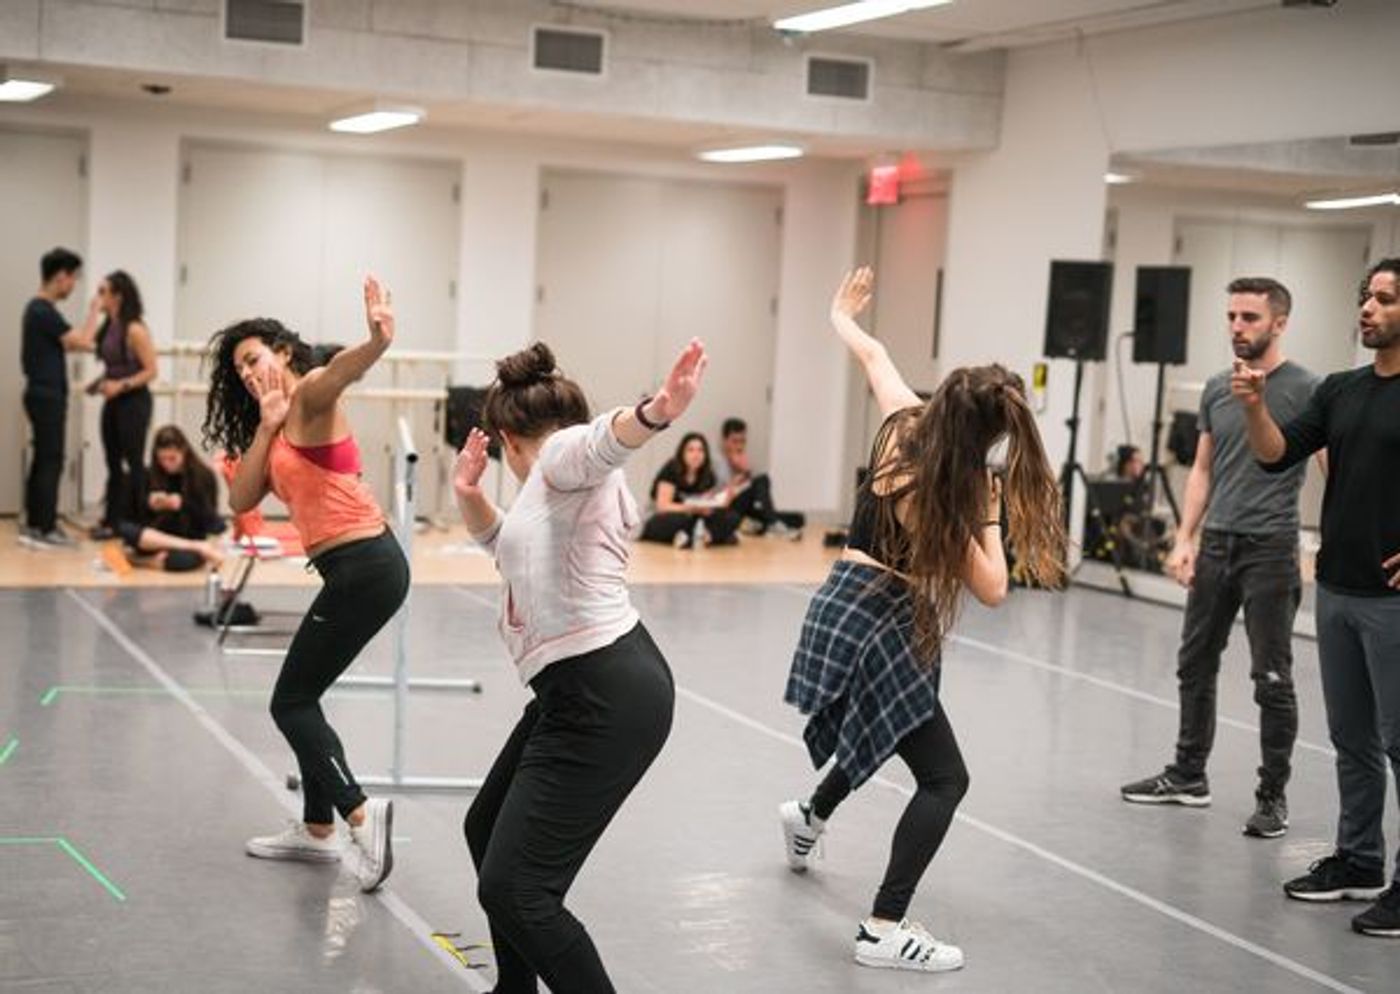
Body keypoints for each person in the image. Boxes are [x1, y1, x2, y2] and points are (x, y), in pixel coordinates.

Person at [779, 267, 1065, 972]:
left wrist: (841, 315)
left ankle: (809, 815)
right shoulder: (947, 485)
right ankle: (884, 926)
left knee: (888, 731)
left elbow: (872, 356)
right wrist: (991, 509)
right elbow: (994, 586)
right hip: (882, 623)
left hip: (845, 602)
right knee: (945, 778)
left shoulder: (902, 419)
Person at [453, 339, 704, 993]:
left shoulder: (562, 459)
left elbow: (602, 441)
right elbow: (505, 547)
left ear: (510, 438)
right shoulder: (550, 498)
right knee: (485, 830)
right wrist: (466, 492)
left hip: (606, 695)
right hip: (583, 689)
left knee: (518, 888)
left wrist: (657, 412)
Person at [202, 276, 407, 893]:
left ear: (284, 354)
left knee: (290, 702)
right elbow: (241, 497)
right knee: (305, 696)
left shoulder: (313, 397)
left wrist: (375, 341)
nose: (246, 372)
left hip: (367, 564)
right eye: (238, 368)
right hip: (352, 571)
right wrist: (264, 428)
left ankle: (359, 815)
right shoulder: (277, 423)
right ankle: (317, 832)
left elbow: (342, 371)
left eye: (254, 358)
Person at [1233, 258, 1400, 938]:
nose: (1368, 308)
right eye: (1366, 296)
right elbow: (1276, 454)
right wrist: (1253, 407)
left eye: (1385, 299)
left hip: (1393, 602)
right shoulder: (1342, 389)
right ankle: (1360, 860)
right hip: (1336, 588)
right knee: (1351, 740)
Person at [1121, 277, 1320, 838]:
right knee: (1195, 662)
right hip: (1217, 543)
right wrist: (1185, 537)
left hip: (1271, 548)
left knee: (1272, 678)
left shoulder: (1309, 389)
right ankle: (1188, 775)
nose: (1237, 326)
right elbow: (1203, 470)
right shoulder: (1215, 387)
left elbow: (1335, 467)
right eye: (1231, 315)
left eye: (1250, 317)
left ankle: (1271, 796)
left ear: (1279, 323)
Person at [19, 247, 101, 548]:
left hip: (43, 394)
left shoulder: (39, 311)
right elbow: (81, 342)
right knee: (51, 460)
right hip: (46, 395)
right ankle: (45, 527)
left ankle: (35, 525)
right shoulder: (43, 310)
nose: (73, 285)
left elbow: (67, 345)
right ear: (61, 276)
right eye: (73, 279)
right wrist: (95, 309)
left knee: (44, 458)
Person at [89, 270, 159, 540]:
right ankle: (113, 521)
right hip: (114, 402)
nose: (98, 297)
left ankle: (138, 522)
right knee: (113, 463)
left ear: (117, 295)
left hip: (134, 402)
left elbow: (151, 371)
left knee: (134, 461)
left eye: (102, 291)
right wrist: (100, 382)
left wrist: (121, 385)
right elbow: (115, 367)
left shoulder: (135, 329)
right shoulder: (109, 326)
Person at [112, 425, 226, 572]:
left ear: (183, 451)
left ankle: (141, 561)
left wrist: (183, 504)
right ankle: (191, 549)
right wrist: (150, 505)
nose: (167, 464)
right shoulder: (148, 475)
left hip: (186, 534)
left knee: (183, 560)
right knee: (125, 529)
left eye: (172, 458)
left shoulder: (202, 476)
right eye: (162, 459)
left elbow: (212, 522)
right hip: (155, 537)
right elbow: (131, 519)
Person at [640, 430, 742, 548]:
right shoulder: (671, 469)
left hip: (693, 518)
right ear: (682, 453)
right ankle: (713, 536)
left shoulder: (707, 474)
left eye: (700, 450)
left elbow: (707, 504)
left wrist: (723, 500)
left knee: (732, 517)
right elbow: (662, 506)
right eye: (691, 450)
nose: (696, 454)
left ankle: (703, 537)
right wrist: (692, 508)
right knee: (682, 519)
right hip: (663, 517)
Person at [714, 416, 806, 537]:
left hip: (746, 508)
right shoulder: (717, 462)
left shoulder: (744, 459)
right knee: (762, 479)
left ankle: (766, 523)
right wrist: (740, 475)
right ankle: (771, 523)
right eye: (735, 441)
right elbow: (718, 497)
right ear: (725, 441)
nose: (739, 446)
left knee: (798, 518)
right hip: (728, 508)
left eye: (743, 441)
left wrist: (746, 471)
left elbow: (757, 493)